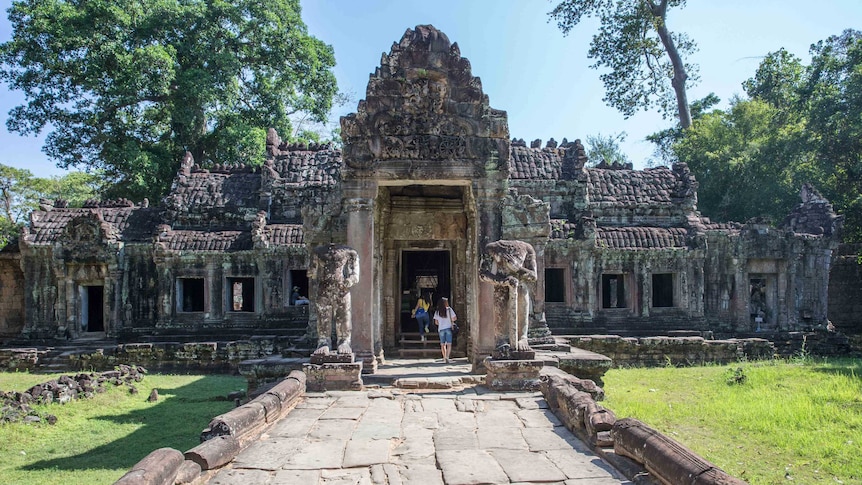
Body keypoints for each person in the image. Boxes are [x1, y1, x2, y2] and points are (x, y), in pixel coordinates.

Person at [433, 297, 457, 363]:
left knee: (442, 344)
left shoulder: (437, 311)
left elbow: (436, 322)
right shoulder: (449, 310)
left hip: (441, 329)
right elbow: (454, 318)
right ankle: (447, 357)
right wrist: (449, 321)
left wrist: (441, 323)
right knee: (449, 344)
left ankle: (444, 357)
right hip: (448, 328)